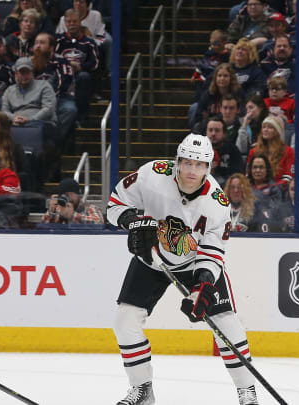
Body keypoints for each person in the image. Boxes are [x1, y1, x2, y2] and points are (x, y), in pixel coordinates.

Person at [105, 134, 259, 405]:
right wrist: (132, 222)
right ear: (177, 161)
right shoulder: (152, 174)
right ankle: (142, 389)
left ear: (208, 167)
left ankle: (247, 391)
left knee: (226, 322)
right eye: (187, 162)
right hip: (151, 258)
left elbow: (213, 250)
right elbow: (116, 204)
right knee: (125, 321)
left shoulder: (217, 203)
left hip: (194, 262)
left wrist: (203, 284)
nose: (191, 171)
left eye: (199, 165)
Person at [246, 115, 295, 188]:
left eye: (270, 127)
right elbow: (248, 175)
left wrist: (272, 187)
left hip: (279, 190)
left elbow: (289, 177)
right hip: (256, 189)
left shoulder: (288, 151)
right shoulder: (253, 151)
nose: (265, 129)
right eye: (264, 127)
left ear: (278, 131)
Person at [205, 115, 243, 186]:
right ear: (206, 132)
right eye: (210, 130)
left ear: (224, 133)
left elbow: (238, 173)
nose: (213, 134)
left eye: (217, 130)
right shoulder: (198, 149)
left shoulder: (232, 149)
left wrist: (218, 168)